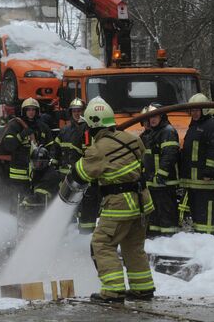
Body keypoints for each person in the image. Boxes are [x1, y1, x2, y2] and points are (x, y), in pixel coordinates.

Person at [64, 97, 155, 303]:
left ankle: (113, 291)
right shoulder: (132, 138)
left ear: (94, 124)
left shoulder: (97, 150)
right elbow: (142, 159)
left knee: (102, 243)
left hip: (119, 205)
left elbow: (81, 174)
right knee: (133, 245)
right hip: (142, 202)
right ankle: (143, 288)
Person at [51, 98, 99, 233]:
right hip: (65, 176)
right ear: (70, 112)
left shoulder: (87, 129)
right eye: (74, 111)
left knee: (84, 206)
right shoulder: (65, 130)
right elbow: (56, 148)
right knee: (67, 205)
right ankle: (67, 232)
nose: (77, 113)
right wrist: (54, 163)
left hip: (81, 176)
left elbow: (89, 153)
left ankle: (84, 234)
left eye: (79, 111)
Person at [179, 93, 214, 234]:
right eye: (192, 110)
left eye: (197, 110)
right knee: (197, 210)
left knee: (206, 210)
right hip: (194, 180)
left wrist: (208, 172)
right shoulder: (194, 125)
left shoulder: (212, 126)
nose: (194, 113)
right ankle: (200, 237)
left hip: (206, 180)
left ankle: (207, 237)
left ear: (204, 110)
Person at [1, 98, 53, 202]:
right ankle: (15, 216)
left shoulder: (43, 127)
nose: (31, 112)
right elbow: (8, 145)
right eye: (28, 109)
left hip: (38, 171)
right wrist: (21, 135)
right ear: (23, 111)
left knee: (36, 198)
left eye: (33, 110)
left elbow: (51, 146)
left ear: (37, 111)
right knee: (18, 200)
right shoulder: (15, 125)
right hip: (19, 172)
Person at [145, 103, 180, 237]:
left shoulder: (168, 131)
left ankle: (169, 240)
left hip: (165, 183)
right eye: (150, 117)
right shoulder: (152, 133)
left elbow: (170, 155)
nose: (152, 119)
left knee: (166, 214)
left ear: (162, 116)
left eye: (155, 116)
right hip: (153, 183)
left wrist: (161, 174)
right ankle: (155, 238)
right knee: (154, 216)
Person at [18, 145, 60, 229]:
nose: (36, 165)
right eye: (34, 162)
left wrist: (28, 200)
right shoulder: (38, 172)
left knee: (29, 211)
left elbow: (41, 195)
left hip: (49, 208)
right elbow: (32, 189)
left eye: (39, 163)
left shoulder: (50, 175)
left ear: (45, 162)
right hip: (40, 204)